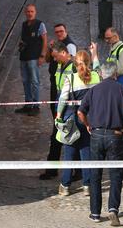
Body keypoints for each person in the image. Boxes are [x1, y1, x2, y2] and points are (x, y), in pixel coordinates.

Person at [77, 61, 123, 226]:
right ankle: (113, 209)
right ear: (115, 74)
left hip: (96, 135)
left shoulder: (93, 90)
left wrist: (88, 125)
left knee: (95, 174)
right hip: (115, 135)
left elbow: (80, 112)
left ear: (101, 74)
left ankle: (95, 213)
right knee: (116, 174)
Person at [56, 50, 100, 196]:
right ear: (89, 63)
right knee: (86, 151)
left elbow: (63, 99)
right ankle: (87, 185)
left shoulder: (71, 78)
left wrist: (58, 115)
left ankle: (65, 185)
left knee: (69, 151)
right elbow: (99, 69)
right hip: (90, 119)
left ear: (75, 64)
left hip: (74, 119)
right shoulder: (95, 76)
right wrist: (95, 54)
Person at [39, 24, 77, 180]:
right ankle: (74, 171)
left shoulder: (70, 49)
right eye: (56, 32)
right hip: (59, 100)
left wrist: (59, 112)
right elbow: (48, 60)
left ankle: (56, 170)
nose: (59, 34)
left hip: (67, 105)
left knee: (62, 136)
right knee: (63, 136)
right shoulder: (59, 63)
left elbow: (67, 91)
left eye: (61, 31)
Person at [16, 4, 47, 116]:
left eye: (32, 11)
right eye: (28, 11)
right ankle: (28, 104)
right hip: (23, 57)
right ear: (25, 13)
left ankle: (36, 105)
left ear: (35, 12)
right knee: (25, 81)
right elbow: (24, 39)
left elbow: (44, 40)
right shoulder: (24, 24)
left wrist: (42, 56)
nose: (30, 13)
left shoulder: (40, 24)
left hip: (34, 57)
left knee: (35, 81)